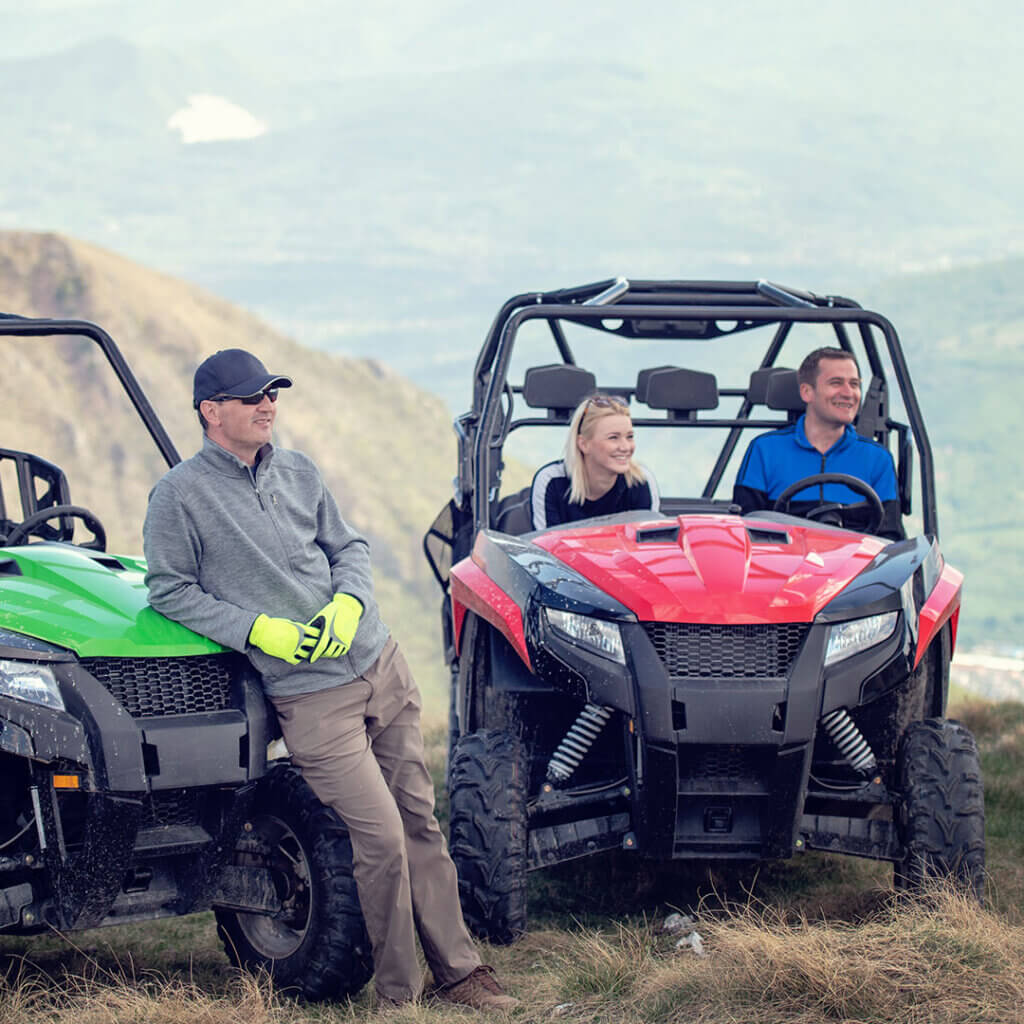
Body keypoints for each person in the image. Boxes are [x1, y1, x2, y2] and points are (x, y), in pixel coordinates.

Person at [142, 348, 517, 1011]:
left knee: (421, 826)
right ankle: (399, 996)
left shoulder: (299, 469)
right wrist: (257, 630)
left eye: (273, 394)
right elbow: (170, 593)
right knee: (379, 840)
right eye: (254, 396)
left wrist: (348, 602)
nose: (269, 405)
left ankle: (460, 974)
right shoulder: (178, 496)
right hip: (311, 699)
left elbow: (349, 547)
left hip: (379, 663)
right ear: (211, 411)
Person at [732, 347, 905, 540]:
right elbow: (745, 531)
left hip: (855, 565)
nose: (849, 393)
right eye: (836, 383)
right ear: (807, 392)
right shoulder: (765, 450)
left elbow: (891, 539)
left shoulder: (877, 459)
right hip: (782, 562)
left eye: (854, 384)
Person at [531, 393, 659, 530]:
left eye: (630, 437)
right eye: (613, 438)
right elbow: (545, 548)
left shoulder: (641, 481)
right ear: (584, 444)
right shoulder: (551, 481)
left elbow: (647, 546)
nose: (625, 447)